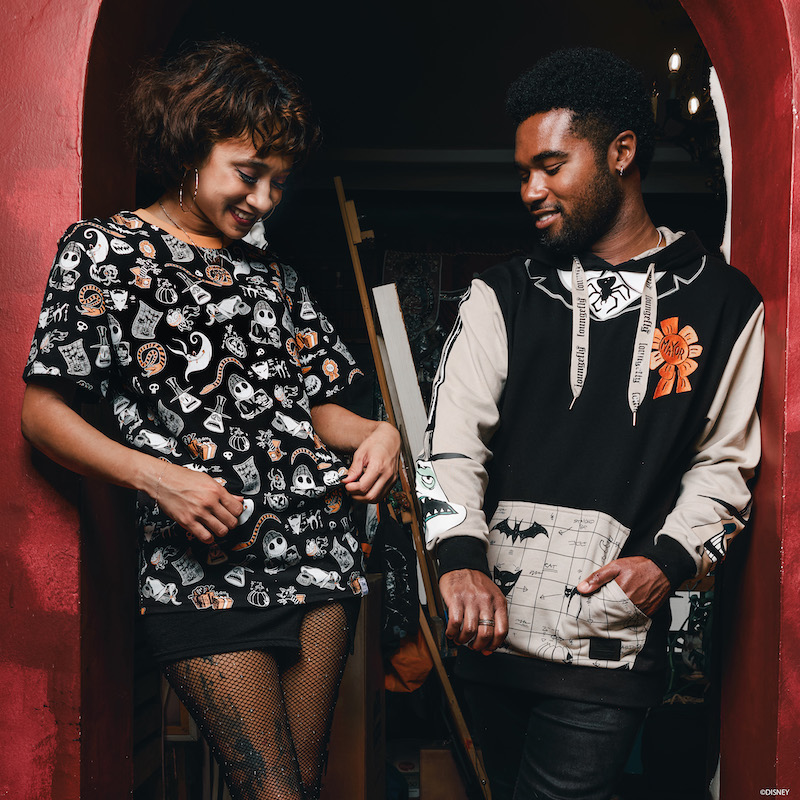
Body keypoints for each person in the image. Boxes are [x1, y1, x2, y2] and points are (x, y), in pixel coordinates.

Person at [21, 40, 400, 800]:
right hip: (200, 573)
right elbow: (42, 414)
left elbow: (320, 409)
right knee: (272, 792)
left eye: (278, 184)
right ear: (191, 145)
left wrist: (382, 433)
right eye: (249, 174)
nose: (264, 201)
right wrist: (159, 479)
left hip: (319, 554)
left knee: (304, 781)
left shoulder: (276, 278)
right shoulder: (105, 253)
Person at [416, 48, 763, 800]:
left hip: (608, 641)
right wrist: (459, 560)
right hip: (489, 634)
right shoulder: (501, 295)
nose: (529, 190)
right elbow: (446, 447)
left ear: (622, 153)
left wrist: (666, 563)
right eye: (522, 172)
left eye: (550, 165)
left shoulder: (724, 302)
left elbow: (725, 463)